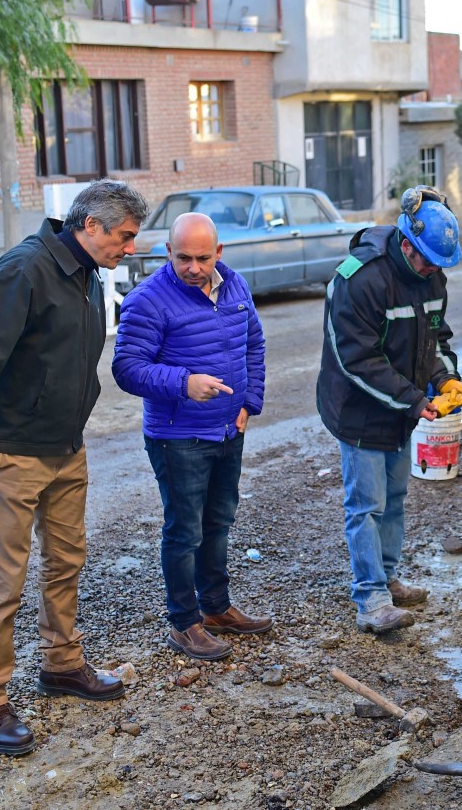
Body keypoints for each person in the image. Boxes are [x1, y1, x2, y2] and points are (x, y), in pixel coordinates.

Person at [0, 179, 149, 756]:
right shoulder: (22, 271)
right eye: (124, 236)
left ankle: (61, 664)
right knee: (4, 577)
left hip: (65, 447)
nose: (129, 248)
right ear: (91, 226)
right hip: (13, 449)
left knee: (67, 559)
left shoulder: (87, 275)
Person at [317, 187, 462, 634]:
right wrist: (415, 400)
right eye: (426, 261)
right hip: (358, 410)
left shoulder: (433, 274)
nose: (432, 272)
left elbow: (437, 337)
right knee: (366, 504)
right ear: (407, 243)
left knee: (394, 497)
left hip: (403, 408)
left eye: (439, 265)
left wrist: (446, 379)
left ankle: (387, 576)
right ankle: (370, 598)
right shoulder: (357, 280)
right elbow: (357, 360)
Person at [113, 212, 270, 661]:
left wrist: (248, 405)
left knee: (219, 522)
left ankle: (217, 608)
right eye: (184, 258)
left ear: (219, 253)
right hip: (177, 437)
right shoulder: (147, 300)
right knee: (185, 532)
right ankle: (184, 623)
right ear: (168, 252)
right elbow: (127, 368)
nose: (194, 267)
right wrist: (184, 383)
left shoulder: (235, 286)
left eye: (203, 258)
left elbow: (254, 345)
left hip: (228, 429)